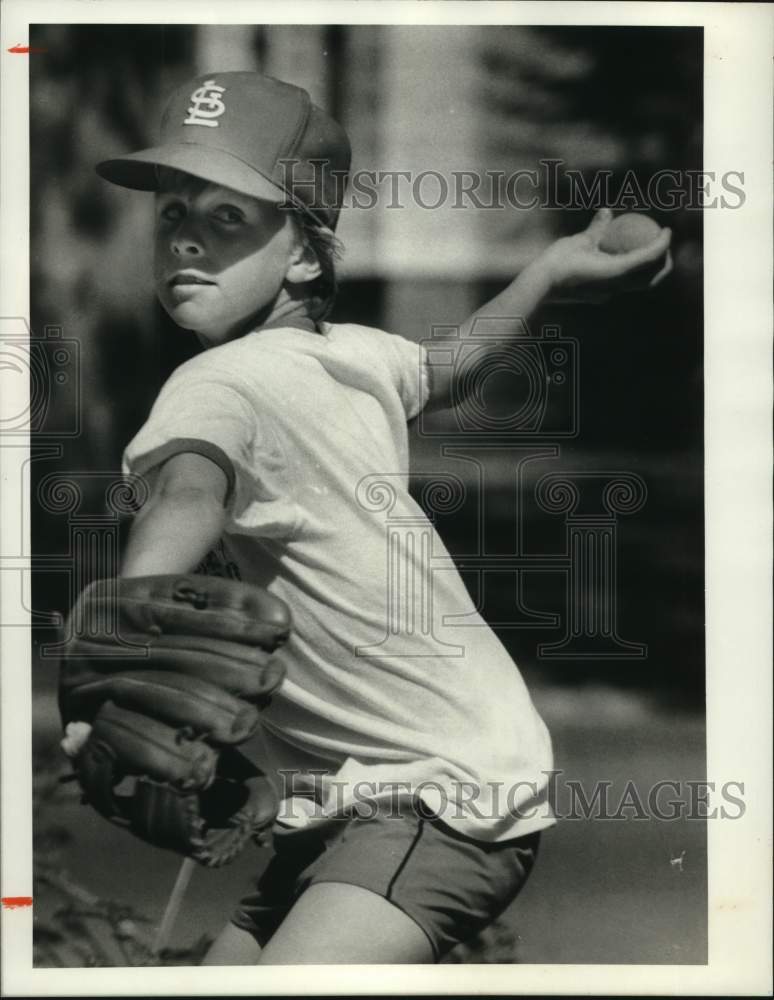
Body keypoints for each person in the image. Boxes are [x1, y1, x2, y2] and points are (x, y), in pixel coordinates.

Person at [93, 71, 672, 964]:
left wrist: (128, 639)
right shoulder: (350, 354)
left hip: (433, 794)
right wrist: (548, 271)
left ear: (302, 254)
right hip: (356, 797)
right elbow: (450, 365)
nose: (187, 246)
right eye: (173, 214)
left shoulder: (213, 383)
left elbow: (186, 493)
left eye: (226, 218)